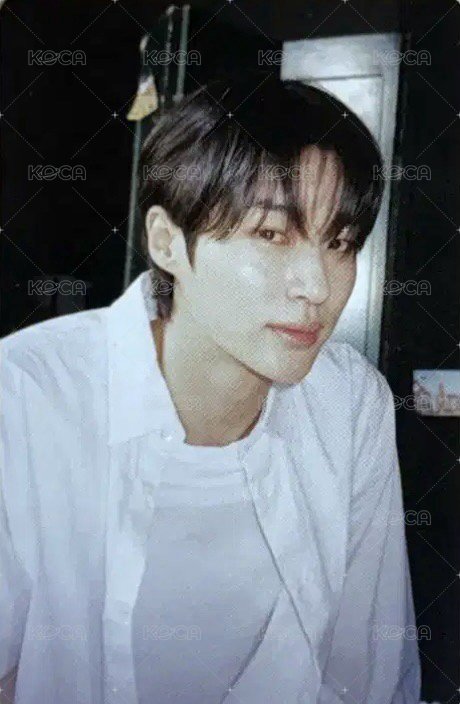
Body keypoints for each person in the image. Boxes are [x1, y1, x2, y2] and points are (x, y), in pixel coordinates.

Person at [0, 73, 421, 703]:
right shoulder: (28, 395)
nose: (317, 286)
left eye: (340, 242)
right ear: (167, 241)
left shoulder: (350, 404)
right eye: (271, 235)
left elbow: (369, 672)